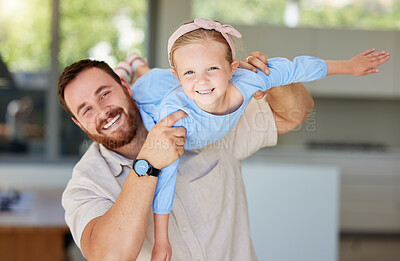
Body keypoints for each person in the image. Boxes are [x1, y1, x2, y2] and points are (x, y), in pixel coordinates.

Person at [113, 18, 390, 260]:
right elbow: (166, 178)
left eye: (212, 69)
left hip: (168, 83)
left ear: (233, 68)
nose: (203, 81)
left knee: (151, 76)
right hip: (152, 99)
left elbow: (295, 68)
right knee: (143, 82)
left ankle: (137, 64)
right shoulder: (174, 116)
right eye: (190, 72)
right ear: (179, 76)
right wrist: (162, 239)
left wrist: (349, 66)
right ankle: (131, 69)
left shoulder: (248, 80)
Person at [59, 49, 319, 260]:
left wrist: (269, 77)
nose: (102, 111)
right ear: (79, 124)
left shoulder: (200, 115)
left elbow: (298, 113)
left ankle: (136, 63)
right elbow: (110, 257)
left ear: (126, 87)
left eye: (104, 94)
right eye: (86, 110)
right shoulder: (86, 184)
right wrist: (147, 164)